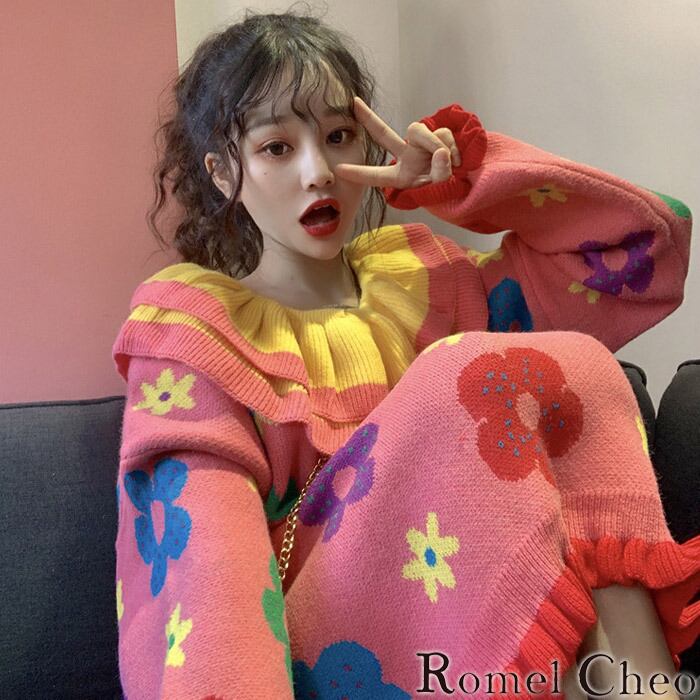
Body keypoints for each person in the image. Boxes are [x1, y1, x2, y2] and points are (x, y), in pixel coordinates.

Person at [112, 9, 700, 699]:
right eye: (277, 147)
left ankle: (644, 687)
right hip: (329, 660)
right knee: (463, 372)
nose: (319, 172)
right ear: (221, 172)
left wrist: (461, 185)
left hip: (476, 634)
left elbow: (642, 248)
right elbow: (206, 566)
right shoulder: (195, 328)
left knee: (575, 365)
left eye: (338, 136)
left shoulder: (427, 280)